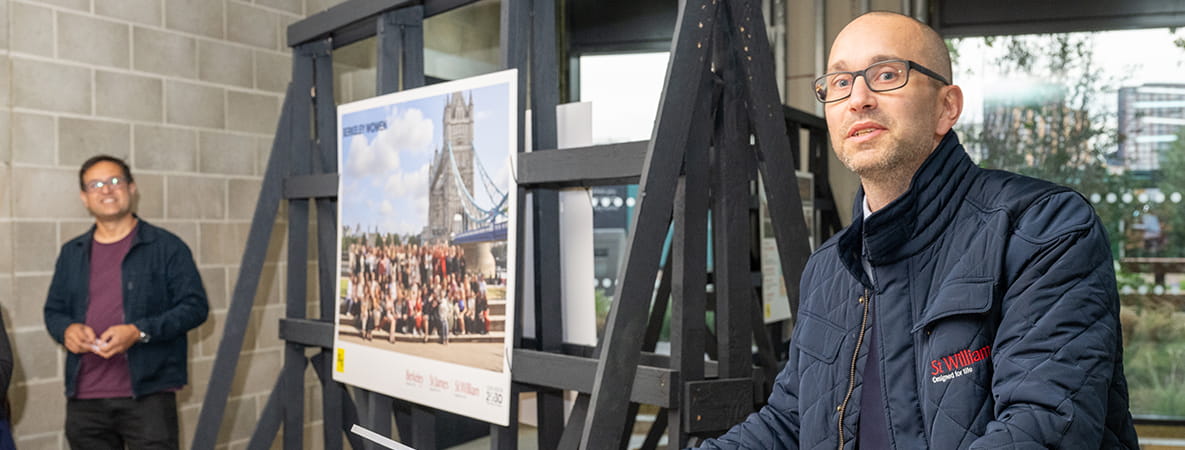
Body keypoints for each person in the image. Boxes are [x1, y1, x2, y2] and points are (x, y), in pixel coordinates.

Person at [696, 12, 1138, 449]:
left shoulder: (1042, 229)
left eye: (886, 74)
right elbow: (788, 423)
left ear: (947, 107)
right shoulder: (829, 267)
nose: (859, 98)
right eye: (839, 83)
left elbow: (1042, 428)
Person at [44, 155, 210, 449]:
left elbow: (194, 307)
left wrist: (138, 331)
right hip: (85, 399)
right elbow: (54, 311)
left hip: (148, 396)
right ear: (84, 198)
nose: (106, 190)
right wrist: (66, 329)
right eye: (95, 185)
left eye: (114, 181)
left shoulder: (166, 246)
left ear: (132, 188)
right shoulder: (72, 252)